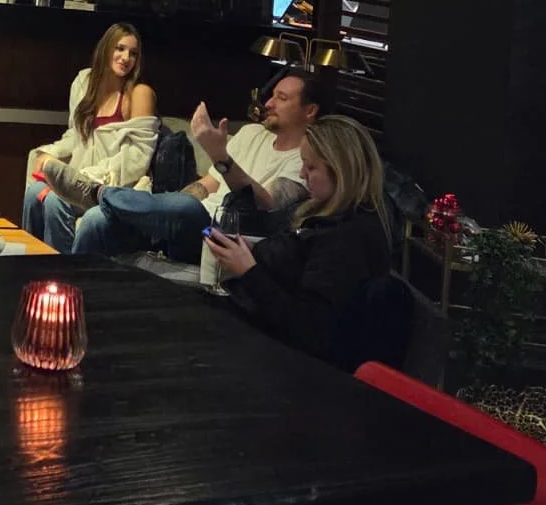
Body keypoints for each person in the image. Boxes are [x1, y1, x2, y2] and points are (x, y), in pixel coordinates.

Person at [72, 68, 323, 260]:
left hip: (218, 235)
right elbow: (208, 184)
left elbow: (267, 201)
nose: (268, 103)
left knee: (187, 207)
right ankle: (71, 298)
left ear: (309, 111)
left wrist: (220, 156)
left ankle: (96, 192)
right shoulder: (251, 134)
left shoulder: (306, 161)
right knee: (96, 221)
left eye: (281, 98)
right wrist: (161, 210)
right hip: (185, 224)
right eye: (272, 96)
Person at [204, 115, 392, 366]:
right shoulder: (324, 215)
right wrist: (251, 251)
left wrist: (248, 270)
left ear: (340, 171)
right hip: (250, 321)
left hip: (280, 359)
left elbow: (309, 330)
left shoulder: (346, 238)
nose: (302, 174)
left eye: (311, 168)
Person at [21, 23, 158, 255]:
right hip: (79, 179)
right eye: (120, 49)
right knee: (34, 193)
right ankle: (30, 267)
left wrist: (88, 178)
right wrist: (50, 154)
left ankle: (63, 276)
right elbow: (75, 135)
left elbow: (138, 158)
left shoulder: (139, 93)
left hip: (112, 185)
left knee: (55, 201)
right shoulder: (85, 82)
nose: (126, 58)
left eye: (133, 53)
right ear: (106, 49)